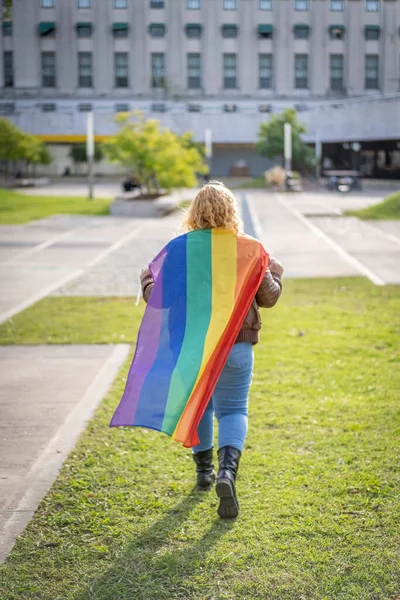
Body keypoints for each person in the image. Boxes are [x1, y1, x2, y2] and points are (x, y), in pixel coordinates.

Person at [139, 181, 283, 519]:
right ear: (232, 211)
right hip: (238, 346)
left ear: (194, 213)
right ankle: (226, 473)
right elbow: (270, 298)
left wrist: (146, 280)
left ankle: (204, 472)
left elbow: (159, 300)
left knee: (200, 406)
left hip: (194, 347)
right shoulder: (250, 249)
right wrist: (275, 272)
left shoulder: (179, 249)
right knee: (233, 411)